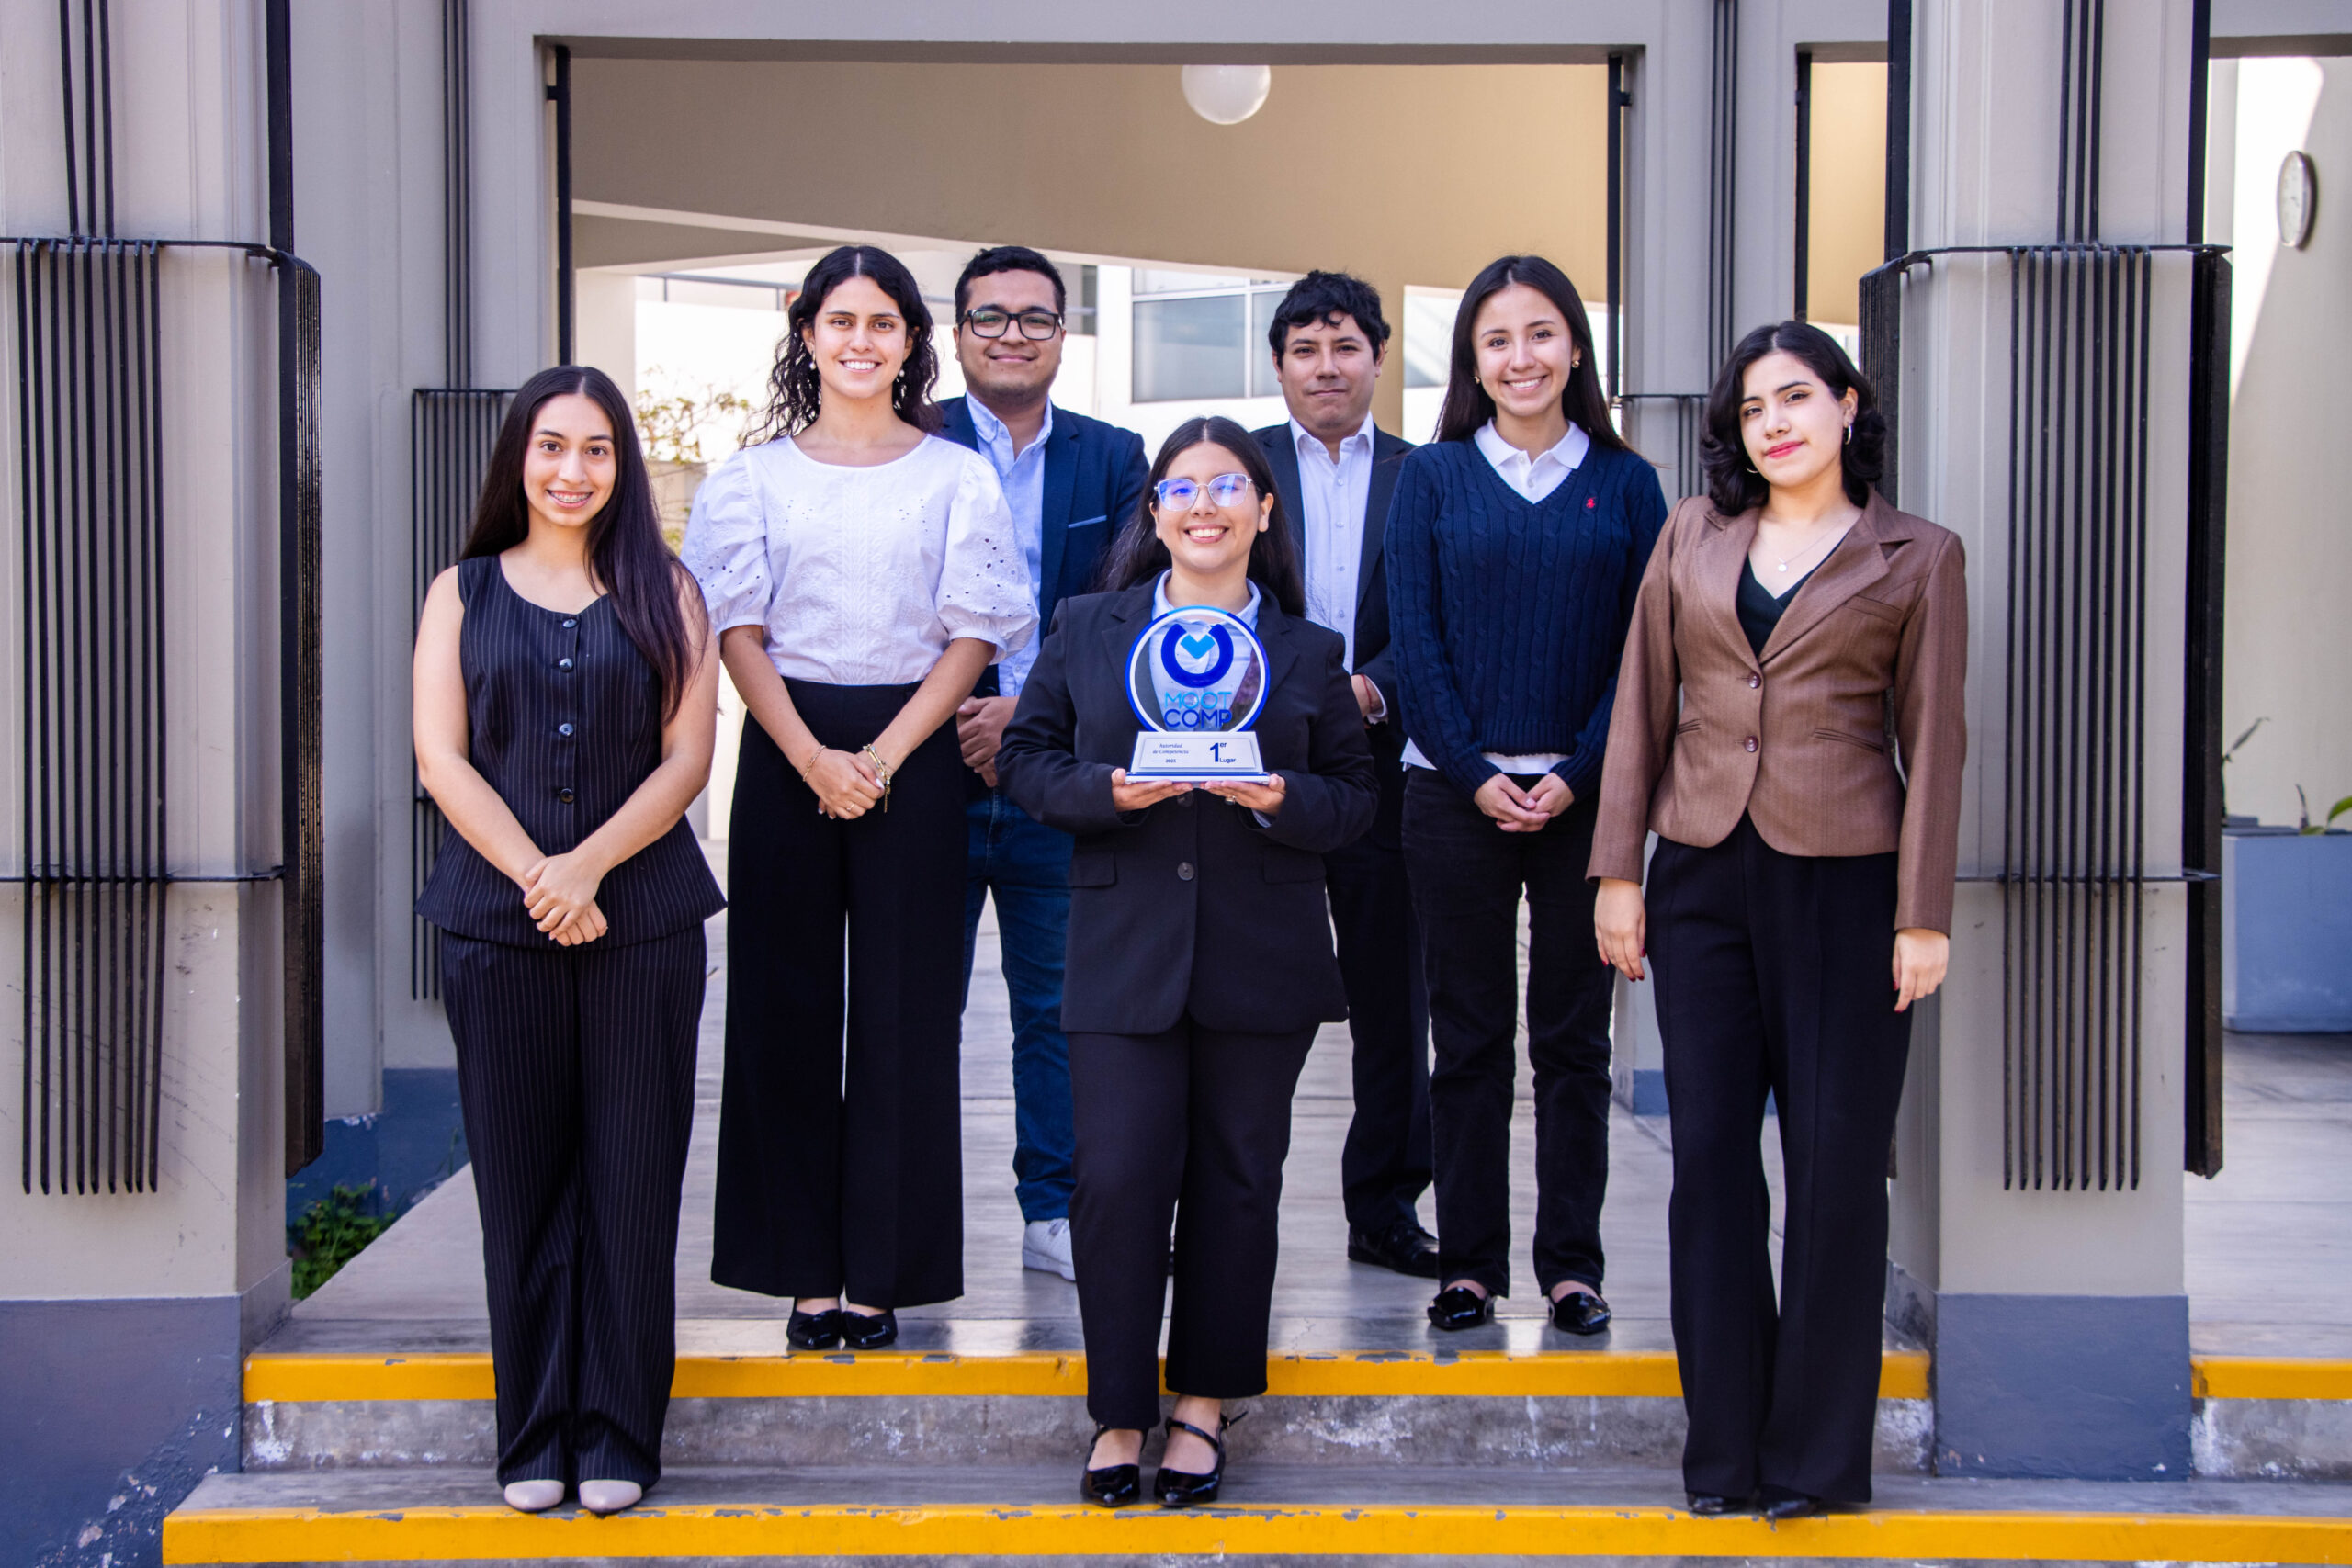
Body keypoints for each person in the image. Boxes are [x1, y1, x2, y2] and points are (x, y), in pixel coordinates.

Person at [1590, 321, 1966, 1520]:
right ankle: (1724, 1454)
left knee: (1836, 1172)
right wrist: (1618, 870)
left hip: (1847, 884)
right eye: (1751, 410)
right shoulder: (1691, 535)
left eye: (1794, 398)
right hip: (1700, 874)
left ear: (1847, 405)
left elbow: (1936, 739)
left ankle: (1815, 1463)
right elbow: (1642, 703)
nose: (1773, 425)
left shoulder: (1918, 554)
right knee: (1709, 1166)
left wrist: (1922, 912)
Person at [999, 417, 1376, 1509]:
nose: (1203, 504)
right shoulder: (1088, 627)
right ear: (1155, 510)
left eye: (1227, 486)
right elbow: (1025, 759)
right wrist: (1105, 794)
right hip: (1122, 952)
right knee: (1115, 1180)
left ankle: (1204, 1405)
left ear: (1264, 509)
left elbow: (1355, 801)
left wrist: (1284, 800)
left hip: (1261, 956)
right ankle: (1120, 1410)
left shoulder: (1309, 652)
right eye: (1181, 487)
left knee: (1237, 1181)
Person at [684, 245, 1034, 1353]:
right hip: (785, 750)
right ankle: (803, 1270)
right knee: (781, 1011)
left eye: (882, 323)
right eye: (840, 321)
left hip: (912, 752)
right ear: (807, 335)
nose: (860, 342)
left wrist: (877, 759)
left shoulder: (955, 475)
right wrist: (809, 756)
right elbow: (733, 629)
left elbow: (974, 631)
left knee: (905, 1015)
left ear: (909, 342)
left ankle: (883, 1272)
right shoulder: (749, 478)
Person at [413, 366, 725, 1517]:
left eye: (596, 449)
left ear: (621, 466)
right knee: (523, 1183)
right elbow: (440, 756)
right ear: (519, 456)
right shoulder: (461, 591)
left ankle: (620, 1434)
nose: (572, 471)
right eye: (552, 446)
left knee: (632, 1181)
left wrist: (587, 868)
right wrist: (539, 878)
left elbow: (688, 757)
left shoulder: (669, 591)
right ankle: (536, 1434)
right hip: (495, 931)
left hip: (643, 926)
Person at [1386, 254, 1667, 1337]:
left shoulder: (1627, 485)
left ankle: (1570, 1268)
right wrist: (1474, 773)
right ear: (1470, 361)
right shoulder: (1433, 478)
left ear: (1576, 350)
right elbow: (1415, 643)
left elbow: (1644, 656)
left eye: (1541, 333)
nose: (1521, 358)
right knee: (1465, 1039)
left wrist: (1576, 773)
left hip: (1582, 804)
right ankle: (1468, 1267)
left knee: (1572, 1042)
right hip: (1450, 797)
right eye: (1496, 339)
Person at [938, 245, 1149, 1283]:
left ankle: (1056, 1210)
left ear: (1063, 336)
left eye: (1035, 317)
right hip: (924, 771)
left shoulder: (1113, 458)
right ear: (958, 334)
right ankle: (908, 1215)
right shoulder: (911, 439)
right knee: (913, 1008)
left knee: (1061, 1011)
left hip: (1056, 774)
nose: (1012, 334)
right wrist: (958, 708)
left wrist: (1026, 710)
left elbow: (1131, 609)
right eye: (991, 316)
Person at [1250, 271, 1435, 1280]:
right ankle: (1228, 1202)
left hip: (1385, 766)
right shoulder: (1238, 467)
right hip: (1255, 771)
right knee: (1244, 998)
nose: (1327, 368)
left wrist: (1372, 690)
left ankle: (1386, 1208)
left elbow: (1444, 615)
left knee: (1391, 997)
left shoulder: (1426, 475)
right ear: (1279, 365)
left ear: (1377, 358)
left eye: (1346, 348)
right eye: (1305, 350)